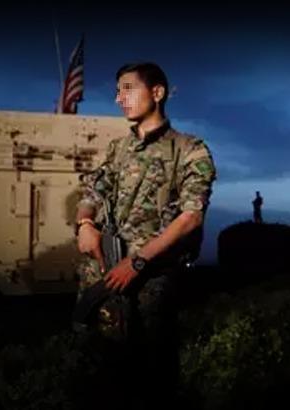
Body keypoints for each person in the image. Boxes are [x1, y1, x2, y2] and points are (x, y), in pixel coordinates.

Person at [74, 62, 216, 407]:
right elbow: (92, 192)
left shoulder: (189, 149)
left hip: (151, 277)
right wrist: (85, 224)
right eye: (117, 91)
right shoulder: (118, 149)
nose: (119, 98)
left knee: (151, 373)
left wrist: (137, 262)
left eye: (128, 88)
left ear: (157, 92)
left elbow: (191, 217)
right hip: (105, 269)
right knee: (99, 365)